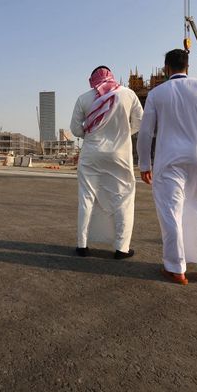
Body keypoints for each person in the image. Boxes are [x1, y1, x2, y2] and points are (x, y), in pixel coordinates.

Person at [137, 49, 197, 285]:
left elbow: (146, 132)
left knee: (171, 212)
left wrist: (143, 163)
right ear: (187, 67)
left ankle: (176, 268)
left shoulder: (157, 94)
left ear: (166, 68)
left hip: (169, 159)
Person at [70, 66, 143, 258]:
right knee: (123, 199)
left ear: (92, 79)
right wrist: (124, 133)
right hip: (120, 154)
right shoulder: (128, 94)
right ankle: (121, 248)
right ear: (111, 75)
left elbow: (76, 130)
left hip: (91, 154)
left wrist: (91, 129)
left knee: (86, 199)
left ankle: (82, 245)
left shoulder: (84, 98)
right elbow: (139, 121)